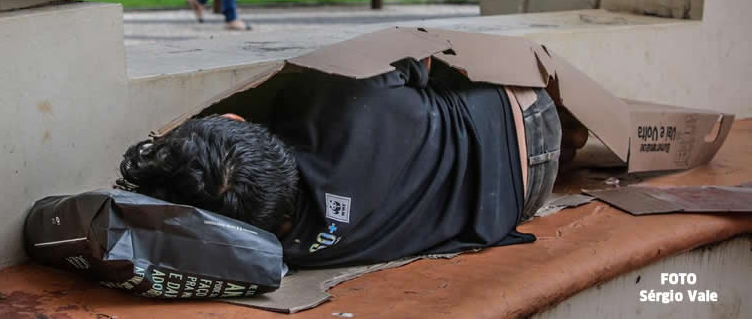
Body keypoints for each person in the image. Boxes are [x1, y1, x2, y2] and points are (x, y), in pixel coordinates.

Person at [120, 57, 588, 268]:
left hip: (516, 199)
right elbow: (418, 56)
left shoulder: (284, 254)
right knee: (430, 85)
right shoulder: (334, 100)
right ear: (236, 116)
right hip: (521, 112)